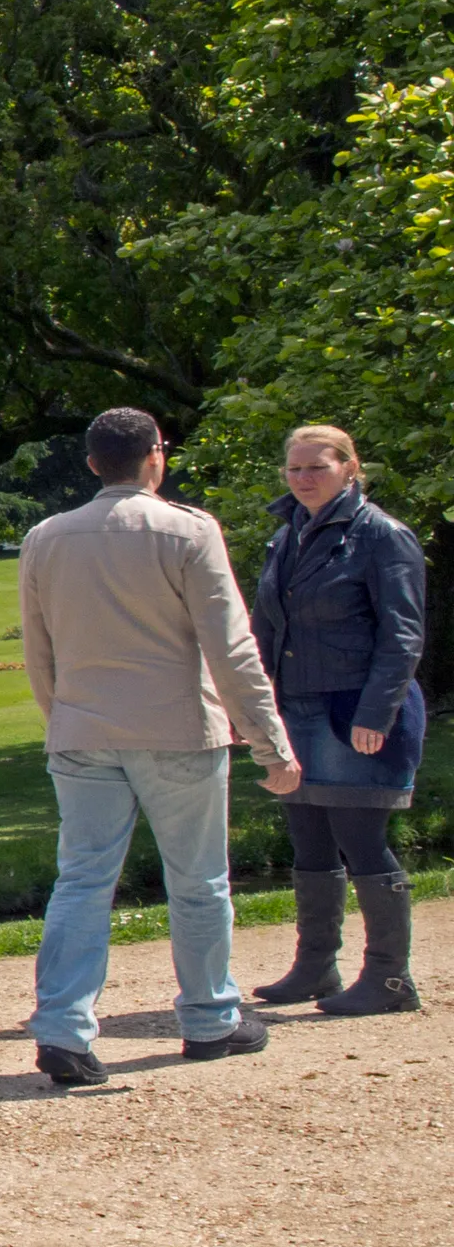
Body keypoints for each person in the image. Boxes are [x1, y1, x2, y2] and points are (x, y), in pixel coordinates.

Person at [15, 408, 303, 1088]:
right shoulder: (188, 530)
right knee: (198, 881)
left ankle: (63, 1027)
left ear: (92, 464)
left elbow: (38, 648)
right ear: (155, 457)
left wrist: (63, 718)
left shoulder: (47, 537)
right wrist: (269, 741)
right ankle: (208, 1018)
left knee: (82, 880)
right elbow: (230, 647)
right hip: (177, 729)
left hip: (83, 730)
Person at [248, 424, 428, 1017]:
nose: (302, 479)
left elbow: (402, 636)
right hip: (297, 708)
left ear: (351, 468)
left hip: (354, 709)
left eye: (316, 468)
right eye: (294, 469)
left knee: (361, 842)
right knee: (309, 839)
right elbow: (267, 628)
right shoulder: (287, 536)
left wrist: (377, 713)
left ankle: (390, 979)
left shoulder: (382, 536)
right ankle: (316, 965)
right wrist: (259, 708)